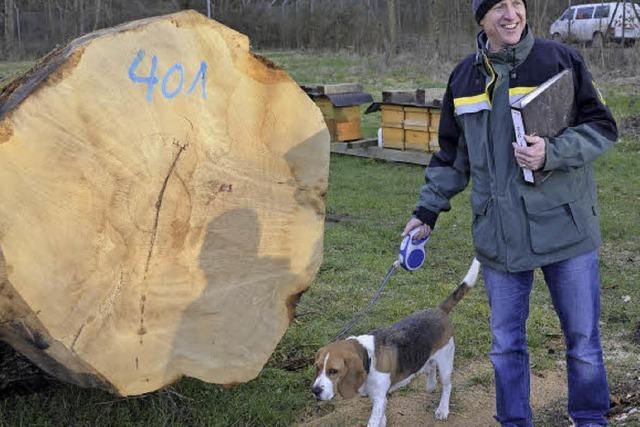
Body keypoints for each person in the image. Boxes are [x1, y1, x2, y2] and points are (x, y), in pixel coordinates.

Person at [402, 0, 618, 426]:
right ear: (481, 18)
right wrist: (426, 212)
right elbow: (451, 156)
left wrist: (552, 152)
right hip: (499, 235)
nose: (510, 14)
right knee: (505, 345)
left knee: (582, 340)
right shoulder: (464, 78)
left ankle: (590, 419)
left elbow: (602, 128)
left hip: (566, 229)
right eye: (498, 6)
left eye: (516, 3)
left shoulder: (560, 59)